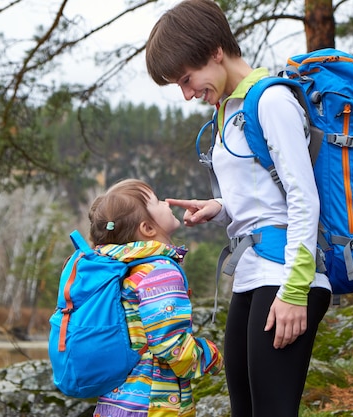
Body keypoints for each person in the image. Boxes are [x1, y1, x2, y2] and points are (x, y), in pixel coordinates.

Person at [145, 1, 332, 416]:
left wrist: (296, 289)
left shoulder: (271, 102)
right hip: (252, 276)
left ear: (215, 51)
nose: (187, 93)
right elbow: (267, 195)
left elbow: (304, 196)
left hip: (286, 276)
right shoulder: (231, 110)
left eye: (186, 79)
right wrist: (220, 207)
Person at [88, 178, 223, 417]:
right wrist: (209, 356)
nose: (165, 202)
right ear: (147, 229)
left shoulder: (119, 268)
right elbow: (169, 342)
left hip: (117, 398)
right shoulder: (159, 272)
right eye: (156, 201)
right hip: (153, 401)